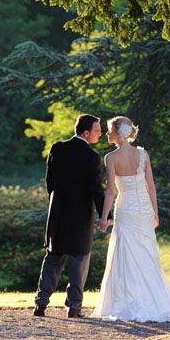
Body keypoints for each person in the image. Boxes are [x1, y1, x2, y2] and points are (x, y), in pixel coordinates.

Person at [91, 116, 170, 322]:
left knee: (125, 254)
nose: (107, 134)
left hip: (125, 209)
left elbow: (110, 191)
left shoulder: (111, 158)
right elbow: (150, 187)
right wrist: (155, 212)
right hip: (144, 209)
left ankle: (127, 303)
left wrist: (103, 218)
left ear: (118, 133)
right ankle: (155, 303)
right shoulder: (143, 154)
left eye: (109, 131)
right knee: (147, 254)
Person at [33, 114, 105, 318]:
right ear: (86, 133)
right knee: (79, 261)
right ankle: (74, 308)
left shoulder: (57, 148)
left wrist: (56, 202)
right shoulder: (91, 157)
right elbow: (95, 189)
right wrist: (104, 214)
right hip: (80, 216)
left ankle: (40, 303)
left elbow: (50, 181)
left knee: (53, 258)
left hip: (57, 213)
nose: (100, 134)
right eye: (97, 130)